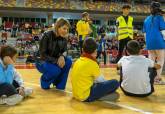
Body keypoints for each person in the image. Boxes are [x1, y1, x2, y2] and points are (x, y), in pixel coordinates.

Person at [35, 18, 72, 90]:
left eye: (67, 29)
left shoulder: (64, 38)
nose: (66, 31)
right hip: (42, 61)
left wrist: (62, 56)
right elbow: (42, 55)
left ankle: (59, 84)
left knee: (68, 62)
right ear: (58, 27)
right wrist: (56, 61)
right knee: (55, 70)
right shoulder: (47, 35)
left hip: (54, 61)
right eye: (64, 28)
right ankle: (44, 80)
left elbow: (65, 51)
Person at [143, 1, 165, 84]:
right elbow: (163, 31)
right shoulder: (160, 18)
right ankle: (158, 79)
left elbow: (144, 33)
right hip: (159, 42)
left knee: (151, 60)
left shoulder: (146, 19)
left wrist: (147, 42)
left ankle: (150, 78)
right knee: (160, 60)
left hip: (149, 42)